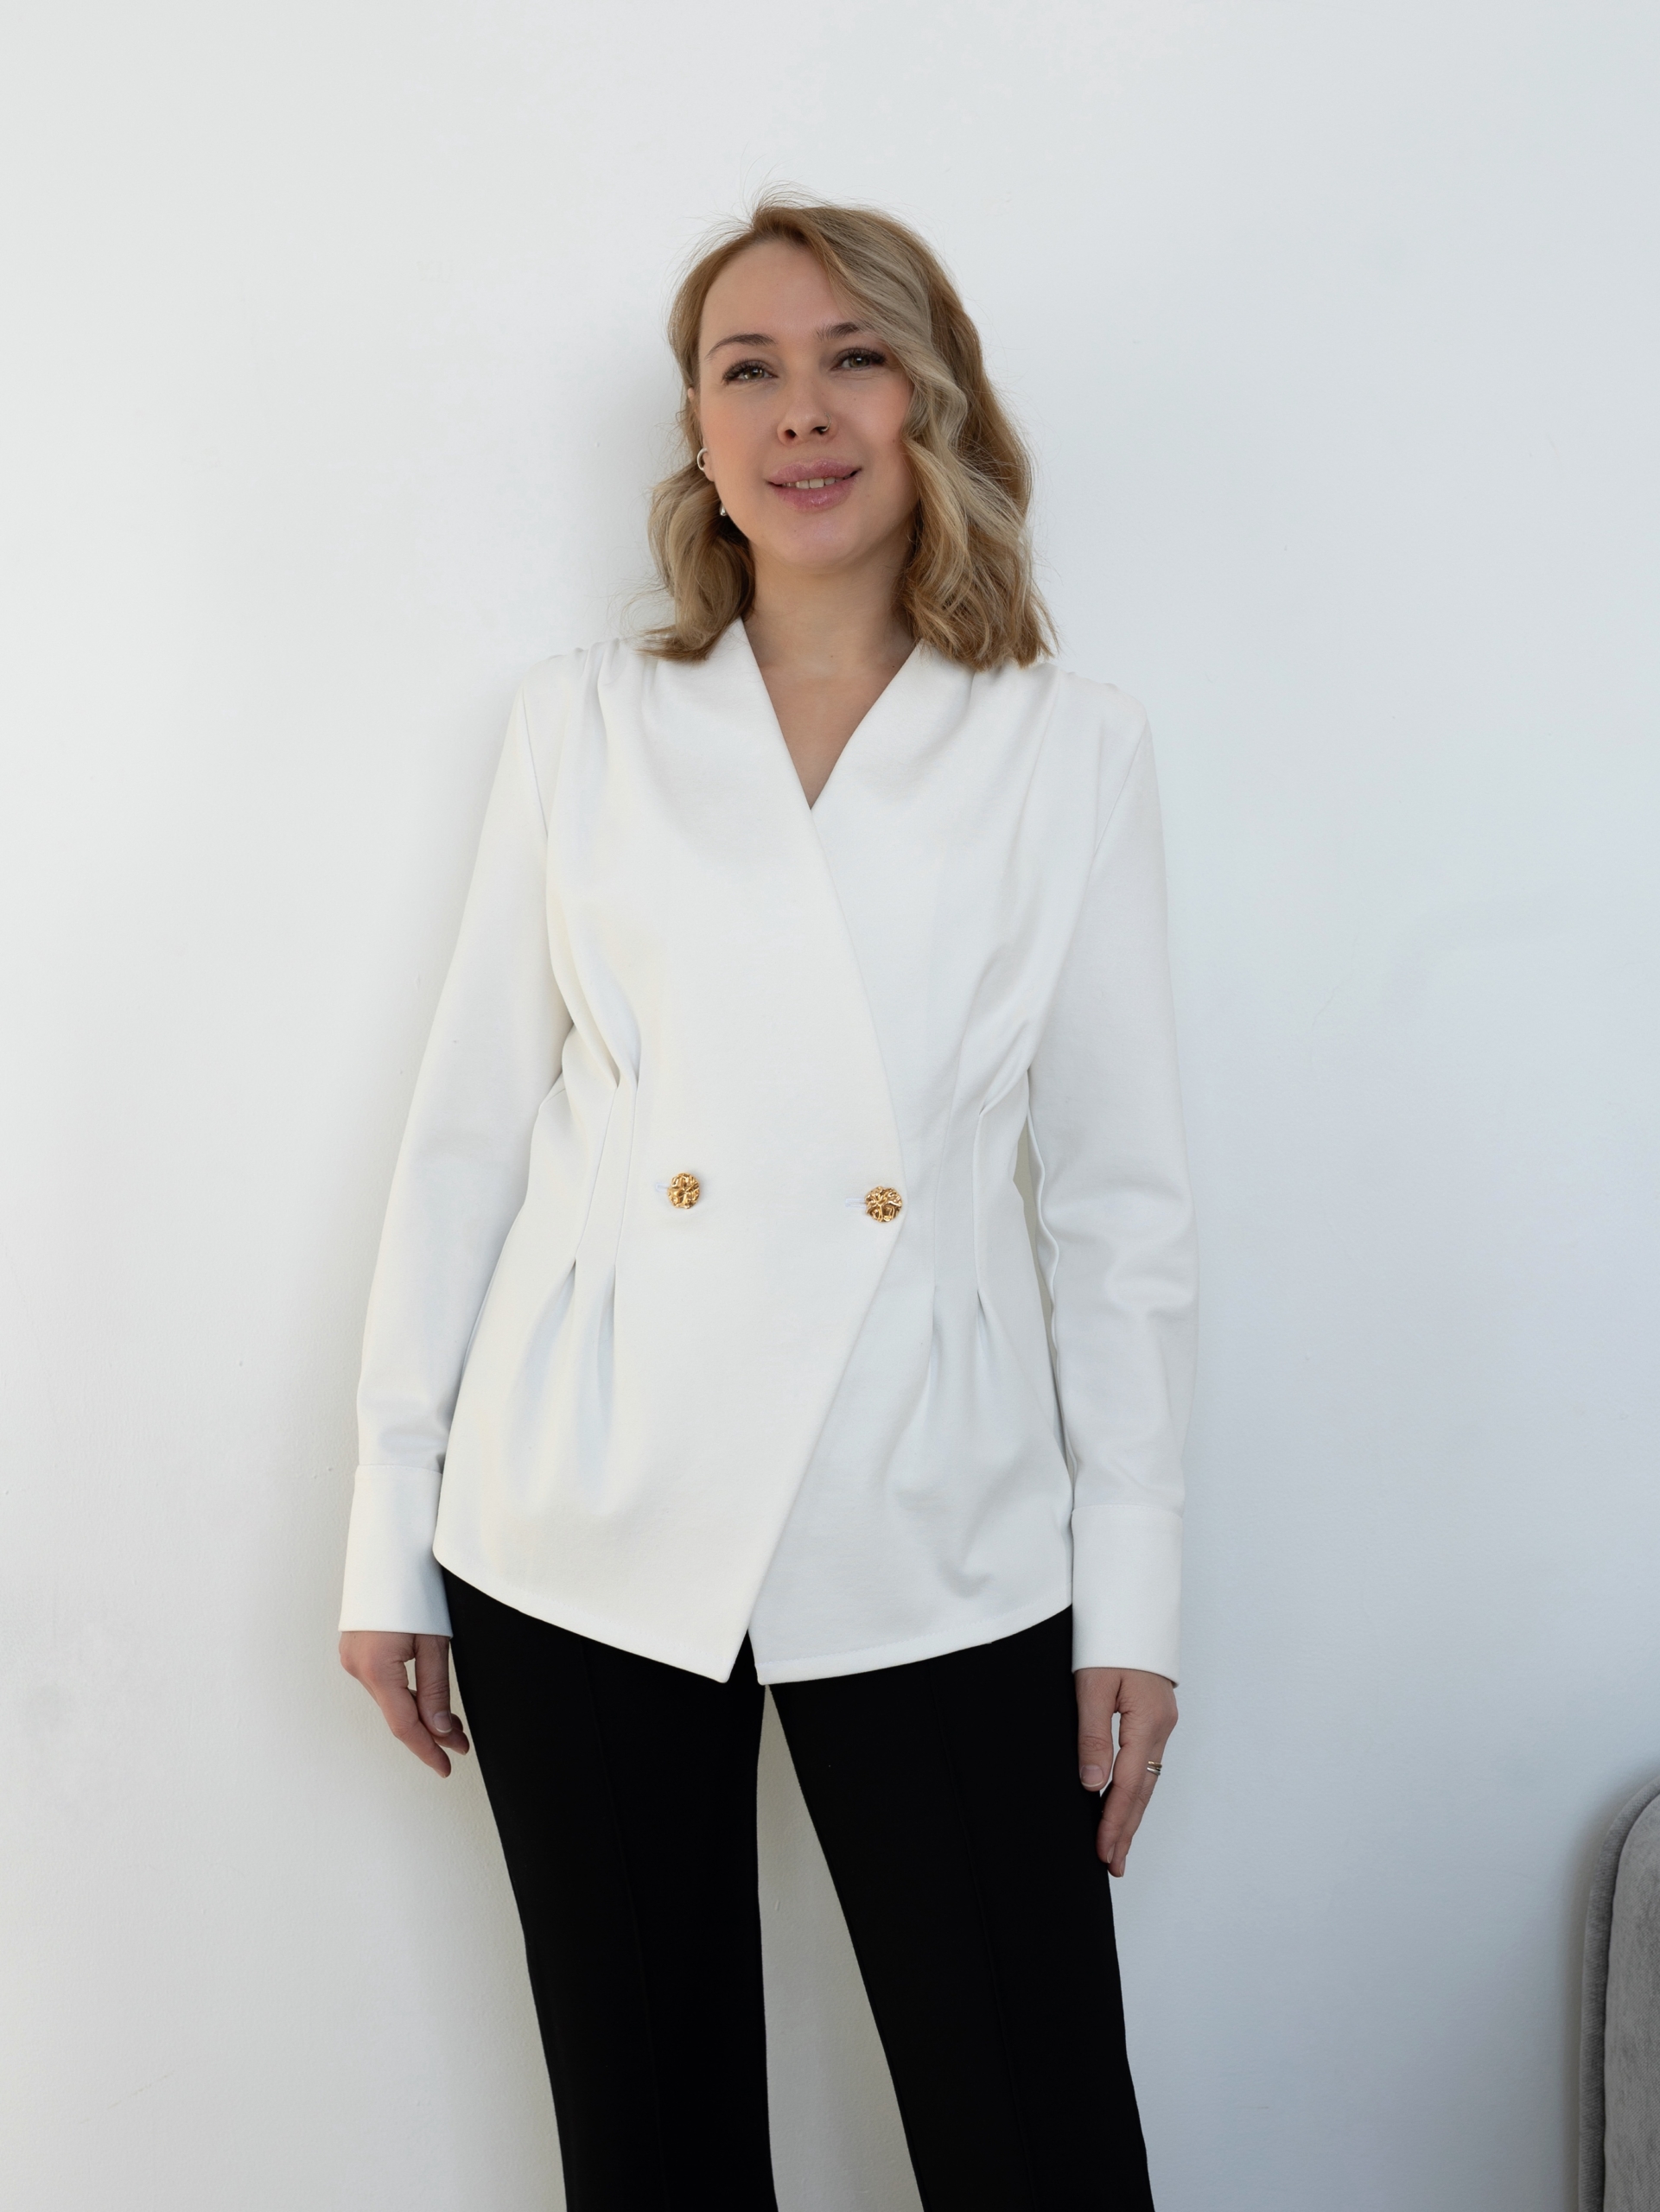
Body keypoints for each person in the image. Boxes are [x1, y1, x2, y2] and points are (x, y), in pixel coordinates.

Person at [338, 195, 1198, 2212]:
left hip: (937, 1508)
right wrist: (389, 1534)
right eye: (750, 368)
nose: (801, 411)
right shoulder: (586, 723)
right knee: (651, 2150)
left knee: (1036, 2140)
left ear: (932, 402)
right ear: (700, 437)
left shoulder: (1064, 747)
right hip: (580, 1508)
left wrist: (1134, 1594)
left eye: (852, 357)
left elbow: (1118, 1205)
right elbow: (465, 1138)